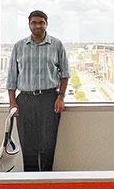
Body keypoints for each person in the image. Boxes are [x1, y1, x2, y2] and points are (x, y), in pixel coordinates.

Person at [7, 10, 69, 172]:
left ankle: (47, 184)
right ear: (29, 25)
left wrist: (61, 97)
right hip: (25, 101)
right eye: (34, 23)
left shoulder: (56, 45)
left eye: (41, 22)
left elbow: (65, 74)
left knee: (48, 145)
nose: (38, 26)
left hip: (49, 99)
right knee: (28, 146)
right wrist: (13, 103)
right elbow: (12, 78)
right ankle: (30, 185)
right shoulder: (19, 46)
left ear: (46, 24)